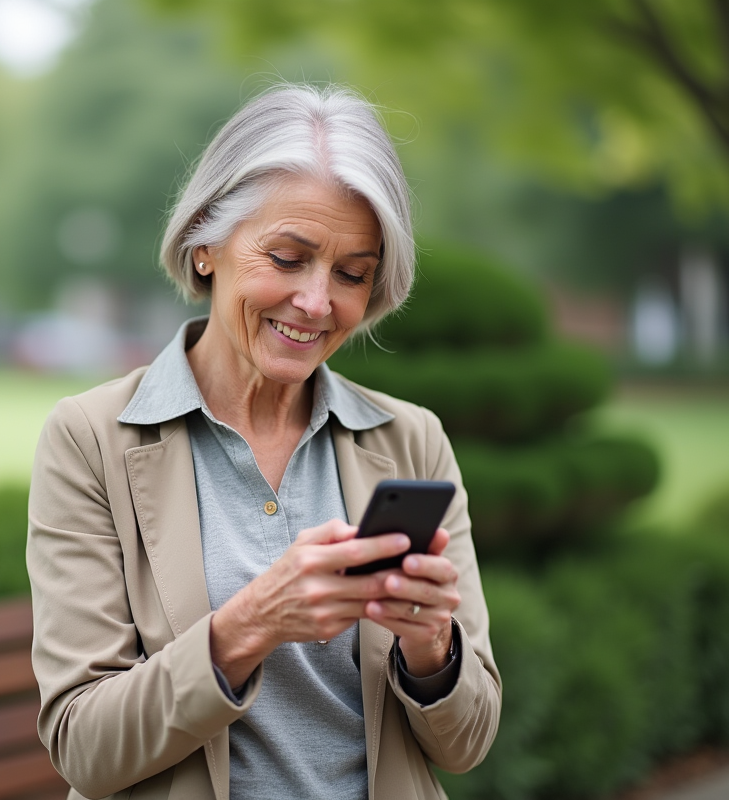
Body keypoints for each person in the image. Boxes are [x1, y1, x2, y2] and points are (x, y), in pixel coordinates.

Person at [27, 84, 501, 800]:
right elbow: (85, 748)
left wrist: (432, 649)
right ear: (207, 245)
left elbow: (465, 745)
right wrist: (249, 624)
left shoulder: (412, 441)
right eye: (287, 257)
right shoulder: (91, 439)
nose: (317, 302)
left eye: (352, 274)